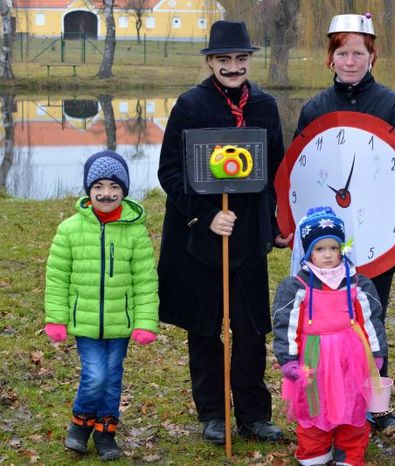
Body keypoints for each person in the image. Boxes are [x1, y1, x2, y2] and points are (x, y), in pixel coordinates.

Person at [157, 20, 290, 444]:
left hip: (247, 236)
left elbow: (276, 172)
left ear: (249, 59)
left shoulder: (265, 106)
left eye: (240, 58)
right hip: (200, 237)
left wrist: (274, 223)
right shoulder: (190, 105)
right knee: (205, 327)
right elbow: (169, 171)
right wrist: (206, 215)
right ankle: (214, 413)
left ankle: (253, 414)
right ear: (211, 62)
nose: (233, 66)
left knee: (250, 328)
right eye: (224, 59)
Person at [294, 12, 395, 434]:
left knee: (369, 322)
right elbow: (300, 171)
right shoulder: (315, 108)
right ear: (330, 58)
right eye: (342, 54)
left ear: (372, 56)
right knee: (324, 325)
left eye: (358, 53)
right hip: (324, 243)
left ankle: (377, 406)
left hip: (377, 237)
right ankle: (327, 401)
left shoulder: (392, 107)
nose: (350, 61)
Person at [44, 150, 159, 461]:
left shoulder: (134, 231)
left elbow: (145, 280)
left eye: (114, 186)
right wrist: (56, 318)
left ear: (123, 191)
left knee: (112, 378)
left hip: (120, 322)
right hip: (85, 321)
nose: (106, 193)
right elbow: (57, 277)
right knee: (95, 374)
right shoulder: (69, 229)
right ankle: (80, 424)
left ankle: (106, 433)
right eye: (99, 186)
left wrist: (145, 321)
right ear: (89, 190)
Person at [272, 206, 387, 466]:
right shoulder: (297, 286)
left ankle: (350, 452)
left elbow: (371, 321)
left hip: (351, 356)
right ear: (308, 252)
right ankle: (315, 451)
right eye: (320, 249)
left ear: (342, 249)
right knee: (314, 403)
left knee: (353, 401)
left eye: (333, 248)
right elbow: (286, 324)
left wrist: (376, 354)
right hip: (314, 355)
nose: (327, 255)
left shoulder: (357, 283)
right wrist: (288, 359)